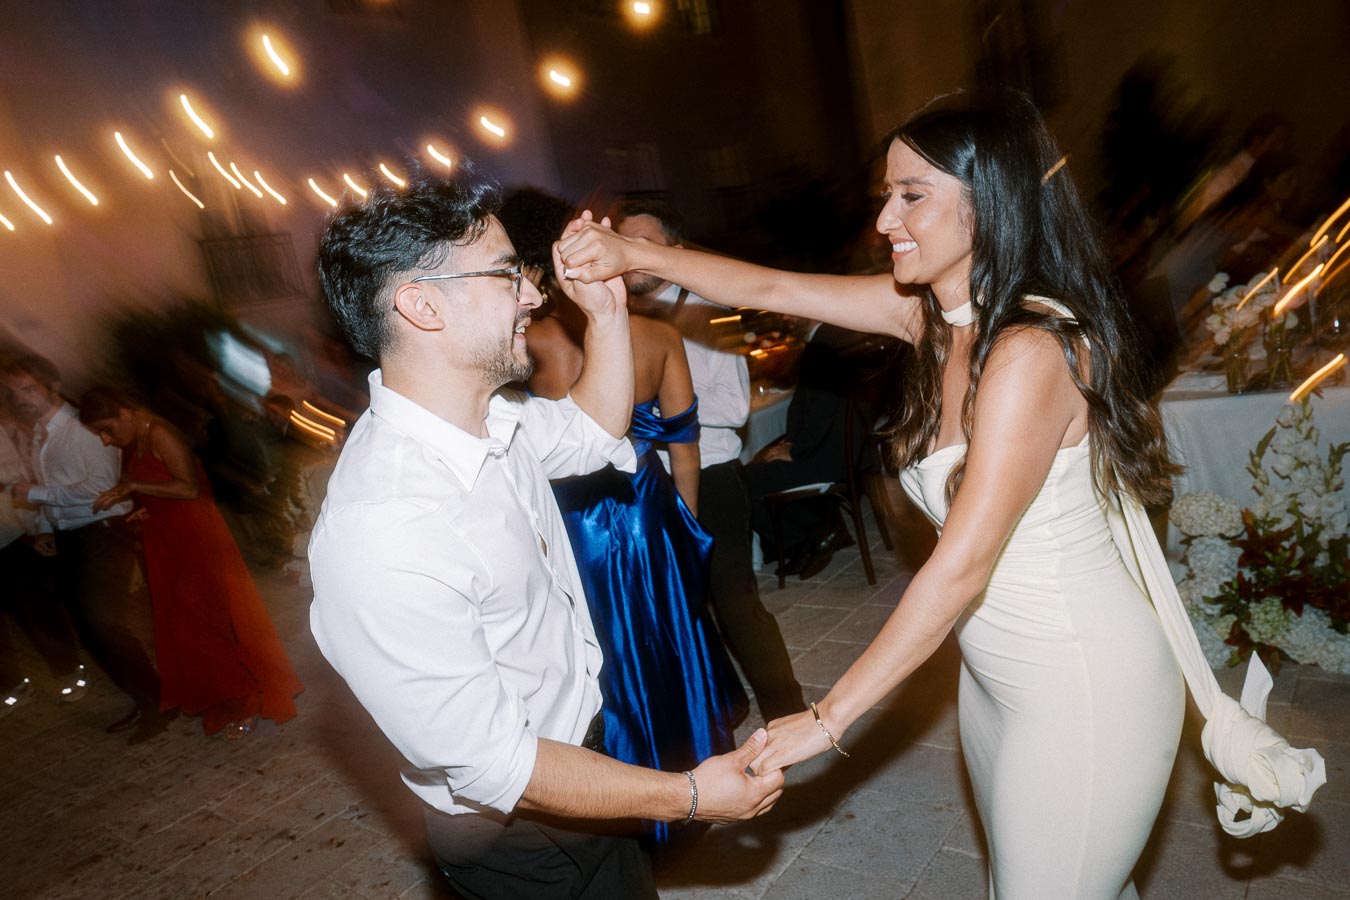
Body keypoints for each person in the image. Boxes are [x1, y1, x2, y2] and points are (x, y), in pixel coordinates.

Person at [558, 92, 1324, 897]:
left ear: (988, 204)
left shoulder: (1031, 352)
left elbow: (958, 570)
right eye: (886, 194)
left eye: (912, 195)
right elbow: (776, 287)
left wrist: (828, 717)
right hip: (996, 684)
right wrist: (633, 256)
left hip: (1083, 686)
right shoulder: (932, 318)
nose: (887, 217)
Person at [308, 172, 782, 899]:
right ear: (421, 305)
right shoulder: (385, 526)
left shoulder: (498, 420)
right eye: (505, 276)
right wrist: (688, 796)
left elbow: (596, 429)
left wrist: (608, 314)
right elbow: (501, 767)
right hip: (522, 836)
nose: (533, 293)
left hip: (586, 777)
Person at [507, 188, 749, 852]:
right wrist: (687, 528)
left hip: (575, 524)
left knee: (602, 656)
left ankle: (618, 795)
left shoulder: (529, 343)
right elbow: (685, 443)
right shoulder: (660, 336)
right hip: (650, 514)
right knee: (667, 644)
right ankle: (690, 779)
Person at [613, 198, 806, 723]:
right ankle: (724, 703)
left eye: (644, 246)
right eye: (624, 246)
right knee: (683, 605)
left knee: (736, 604)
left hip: (715, 475)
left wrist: (657, 406)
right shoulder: (616, 317)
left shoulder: (708, 308)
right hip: (645, 481)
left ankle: (789, 714)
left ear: (675, 252)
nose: (631, 258)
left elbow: (736, 406)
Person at [78, 387, 303, 738]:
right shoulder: (134, 440)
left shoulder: (160, 433)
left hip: (196, 538)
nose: (107, 440)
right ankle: (224, 696)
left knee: (208, 624)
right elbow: (162, 490)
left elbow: (189, 489)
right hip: (167, 539)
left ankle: (246, 700)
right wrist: (144, 509)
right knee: (187, 629)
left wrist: (133, 484)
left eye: (107, 429)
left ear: (125, 412)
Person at [1, 354, 170, 743]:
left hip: (103, 530)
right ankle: (143, 698)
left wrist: (37, 493)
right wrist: (45, 526)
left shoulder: (81, 426)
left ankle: (157, 699)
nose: (21, 398)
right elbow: (54, 482)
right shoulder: (39, 433)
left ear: (52, 386)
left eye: (28, 388)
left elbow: (102, 487)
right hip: (71, 534)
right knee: (89, 628)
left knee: (104, 623)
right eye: (13, 393)